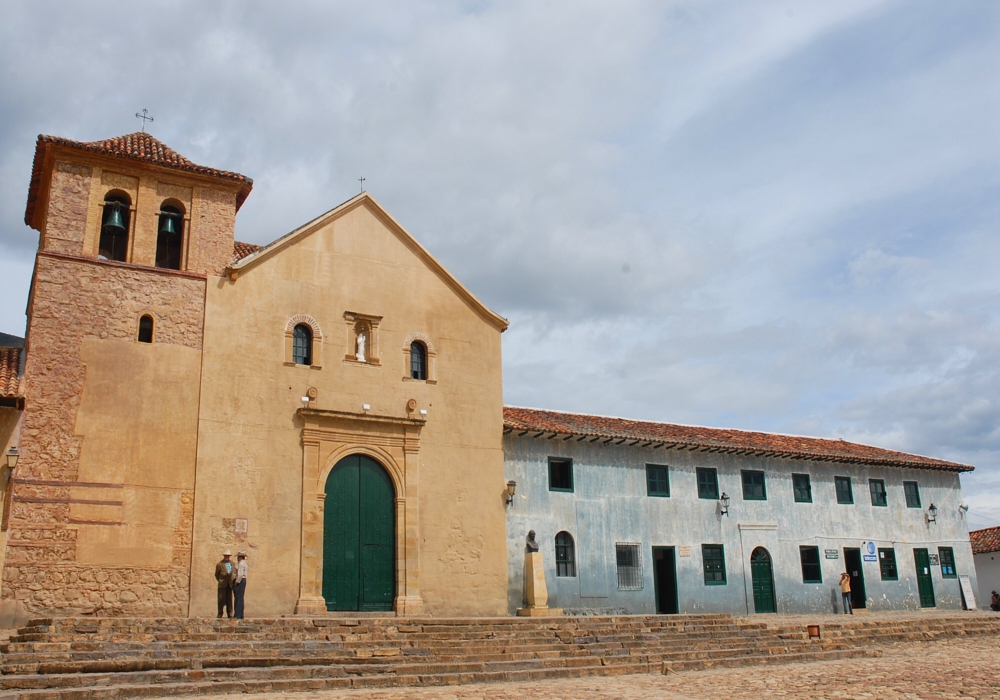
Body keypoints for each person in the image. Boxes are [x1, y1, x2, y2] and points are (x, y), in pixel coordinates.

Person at [215, 549, 235, 618]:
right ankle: (220, 613)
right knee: (221, 598)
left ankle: (229, 613)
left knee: (229, 598)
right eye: (226, 556)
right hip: (222, 584)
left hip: (229, 584)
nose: (227, 557)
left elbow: (233, 572)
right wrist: (220, 580)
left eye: (228, 556)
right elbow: (217, 574)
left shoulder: (232, 563)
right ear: (224, 556)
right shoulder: (219, 564)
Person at [233, 551, 249, 620]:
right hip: (244, 580)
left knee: (238, 597)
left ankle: (238, 614)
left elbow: (240, 574)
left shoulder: (241, 564)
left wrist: (237, 581)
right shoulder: (244, 564)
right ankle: (240, 614)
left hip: (241, 580)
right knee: (240, 597)